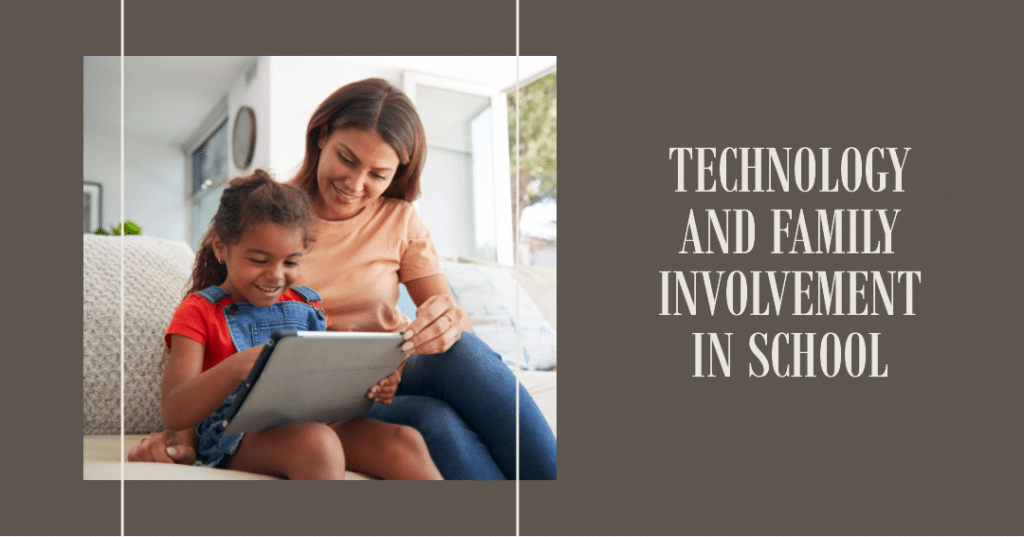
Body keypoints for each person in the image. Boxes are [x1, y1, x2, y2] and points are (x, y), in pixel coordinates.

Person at [130, 77, 557, 480]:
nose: (354, 184)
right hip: (317, 387)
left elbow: (449, 320)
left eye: (378, 174)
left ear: (399, 172)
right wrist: (180, 436)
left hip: (392, 368)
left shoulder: (401, 219)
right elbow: (215, 319)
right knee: (434, 421)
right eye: (347, 159)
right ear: (322, 136)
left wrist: (444, 321)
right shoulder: (269, 215)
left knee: (463, 351)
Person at [158, 169, 441, 480]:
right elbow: (173, 409)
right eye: (259, 260)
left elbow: (329, 376)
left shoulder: (307, 306)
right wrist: (238, 367)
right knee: (317, 444)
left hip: (316, 420)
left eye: (290, 262)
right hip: (235, 435)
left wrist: (373, 386)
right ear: (221, 247)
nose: (276, 275)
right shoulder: (199, 311)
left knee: (404, 442)